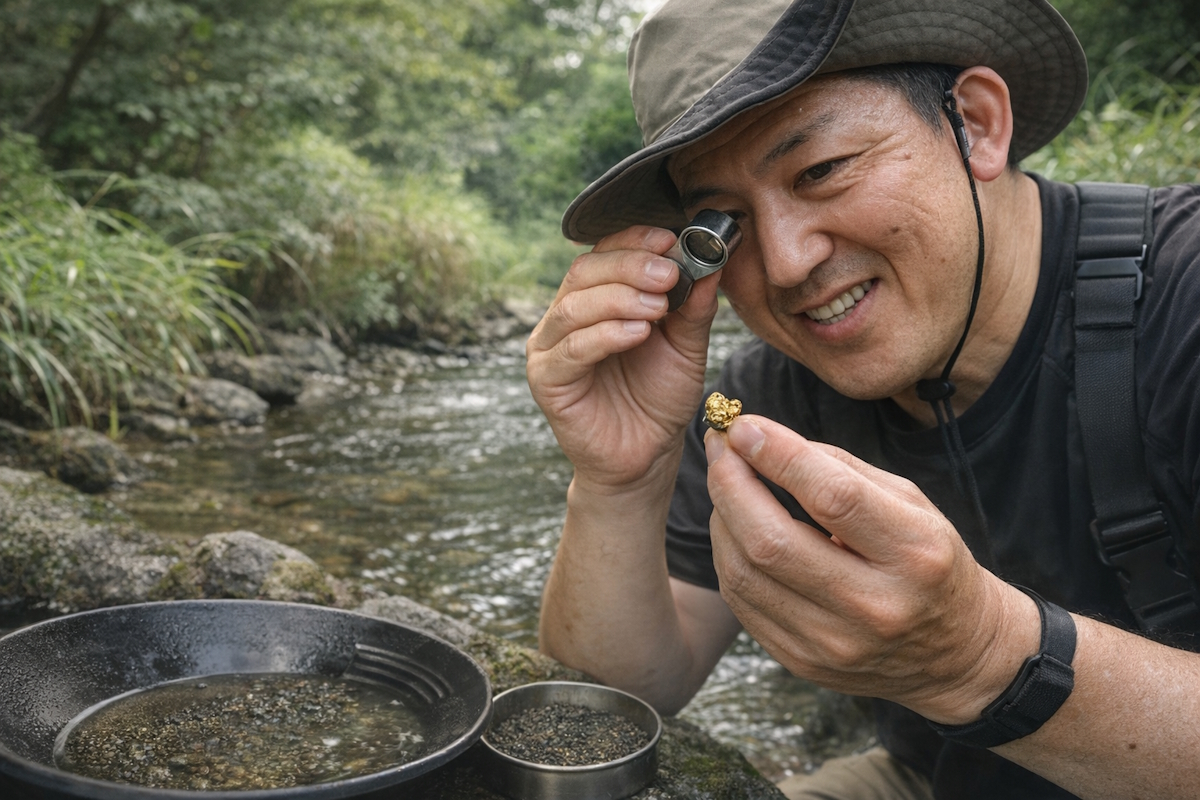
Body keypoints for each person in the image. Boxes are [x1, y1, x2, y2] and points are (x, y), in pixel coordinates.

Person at [525, 0, 1200, 798]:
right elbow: (615, 701)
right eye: (727, 223)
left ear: (977, 124)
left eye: (820, 171)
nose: (783, 263)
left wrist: (982, 655)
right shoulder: (765, 401)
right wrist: (617, 483)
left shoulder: (1183, 298)